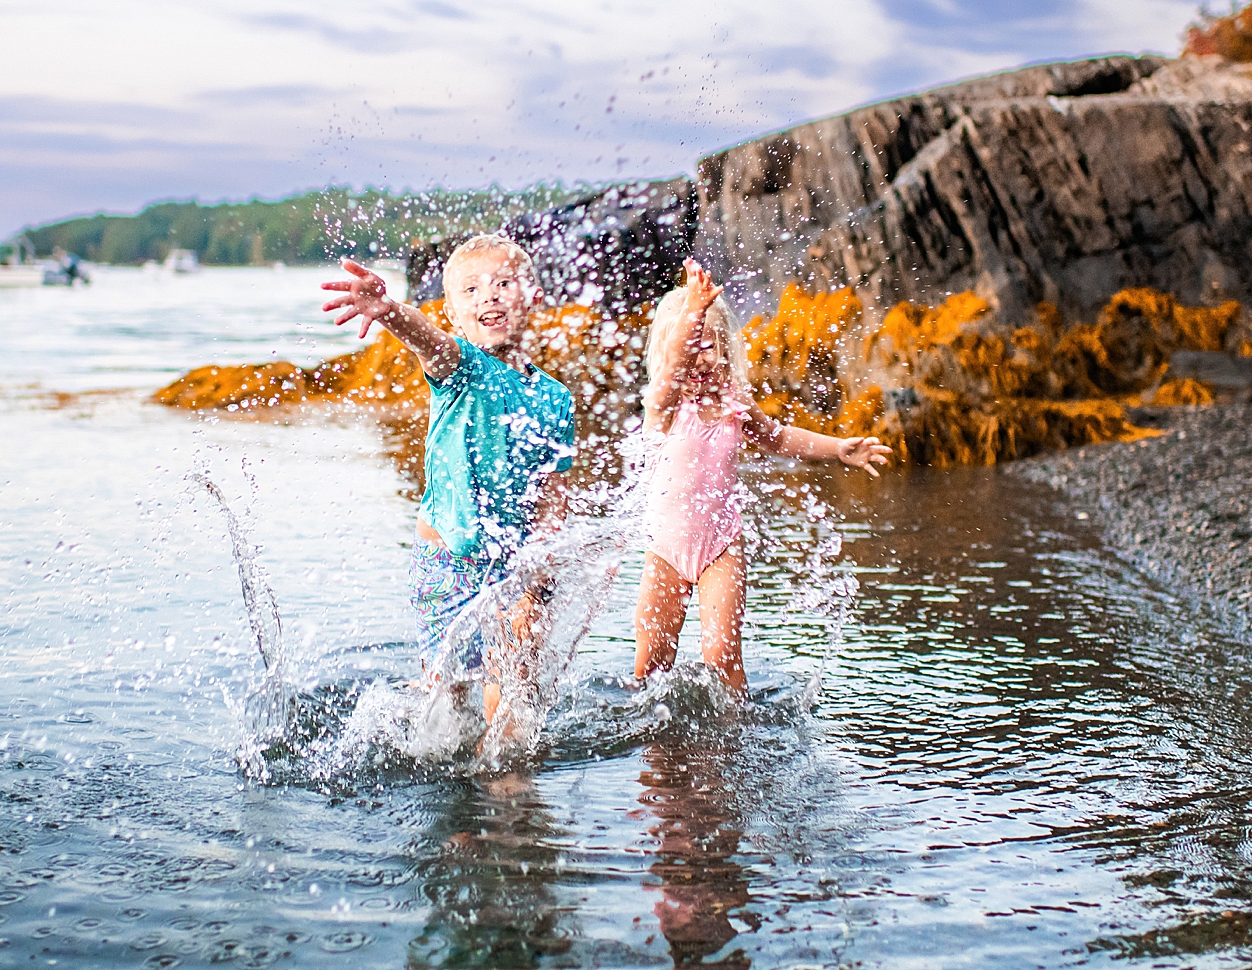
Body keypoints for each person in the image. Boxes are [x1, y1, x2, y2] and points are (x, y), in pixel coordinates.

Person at [322, 234, 575, 722]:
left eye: (503, 283)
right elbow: (428, 340)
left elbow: (553, 499)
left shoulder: (556, 398)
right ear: (454, 313)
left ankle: (504, 768)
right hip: (445, 564)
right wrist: (390, 312)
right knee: (445, 707)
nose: (489, 296)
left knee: (511, 698)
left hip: (514, 568)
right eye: (471, 289)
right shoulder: (461, 367)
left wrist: (537, 585)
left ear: (534, 297)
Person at [635, 260, 891, 693]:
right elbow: (674, 367)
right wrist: (694, 311)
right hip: (665, 548)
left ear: (725, 348)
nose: (700, 357)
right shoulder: (663, 406)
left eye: (709, 346)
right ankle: (647, 728)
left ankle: (736, 725)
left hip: (721, 545)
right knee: (652, 662)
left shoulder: (733, 403)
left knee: (723, 655)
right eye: (691, 345)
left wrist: (838, 449)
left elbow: (778, 437)